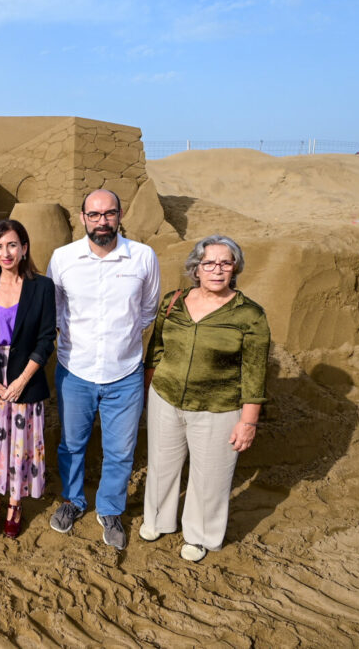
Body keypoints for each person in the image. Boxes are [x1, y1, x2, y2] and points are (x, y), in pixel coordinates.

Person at [141, 235, 269, 562]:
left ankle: (200, 535)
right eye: (208, 263)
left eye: (225, 263)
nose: (217, 270)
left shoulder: (250, 315)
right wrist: (148, 393)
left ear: (235, 268)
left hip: (219, 407)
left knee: (209, 476)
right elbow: (155, 352)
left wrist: (248, 421)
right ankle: (157, 519)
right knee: (161, 465)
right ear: (196, 268)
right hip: (165, 398)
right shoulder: (173, 301)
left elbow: (255, 373)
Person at [46, 189, 160, 550]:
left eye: (109, 214)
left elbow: (148, 311)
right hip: (74, 371)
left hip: (125, 375)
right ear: (82, 218)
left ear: (120, 214)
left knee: (120, 450)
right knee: (71, 445)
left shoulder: (142, 257)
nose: (102, 221)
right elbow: (55, 308)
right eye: (94, 215)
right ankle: (73, 501)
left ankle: (110, 509)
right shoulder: (63, 258)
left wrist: (120, 342)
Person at [0, 219, 56, 539]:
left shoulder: (42, 287)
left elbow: (46, 339)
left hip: (25, 377)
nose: (6, 252)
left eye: (12, 245)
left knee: (20, 445)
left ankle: (15, 502)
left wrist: (21, 380)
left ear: (24, 248)